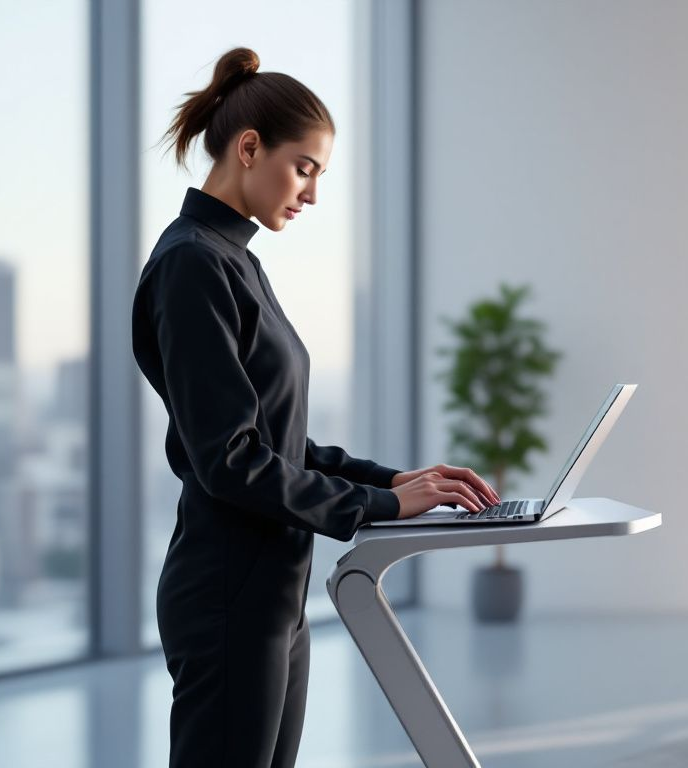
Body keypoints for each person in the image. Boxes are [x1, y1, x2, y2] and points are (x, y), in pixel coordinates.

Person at [131, 46, 501, 768]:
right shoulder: (192, 265)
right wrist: (381, 508)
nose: (311, 194)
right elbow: (230, 461)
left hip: (273, 594)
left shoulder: (233, 260)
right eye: (305, 168)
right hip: (227, 599)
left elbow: (277, 439)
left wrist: (394, 483)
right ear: (248, 148)